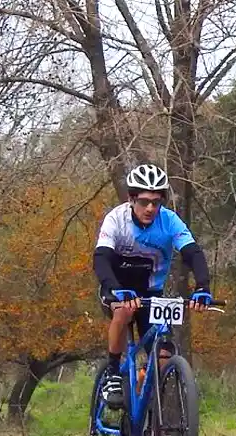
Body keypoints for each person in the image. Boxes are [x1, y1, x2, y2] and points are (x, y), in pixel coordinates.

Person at [92, 162, 215, 410]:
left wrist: (202, 286)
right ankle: (114, 374)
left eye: (156, 202)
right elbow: (102, 258)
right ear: (131, 198)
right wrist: (115, 289)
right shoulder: (116, 219)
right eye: (144, 201)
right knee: (124, 311)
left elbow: (193, 253)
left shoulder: (169, 221)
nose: (150, 208)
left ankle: (149, 415)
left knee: (162, 359)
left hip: (151, 294)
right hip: (117, 288)